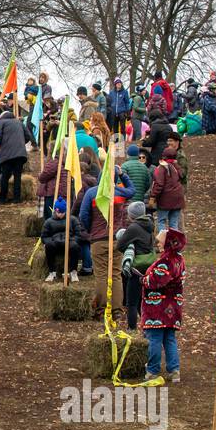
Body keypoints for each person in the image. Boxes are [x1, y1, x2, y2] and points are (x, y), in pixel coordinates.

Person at [77, 164, 135, 315]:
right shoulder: (120, 192)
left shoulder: (91, 193)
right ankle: (116, 309)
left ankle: (102, 308)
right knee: (116, 275)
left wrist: (90, 230)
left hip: (98, 240)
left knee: (102, 275)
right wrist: (122, 174)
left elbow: (83, 215)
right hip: (117, 239)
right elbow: (132, 190)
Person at [141, 228, 186, 383]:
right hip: (174, 307)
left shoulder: (166, 261)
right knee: (169, 338)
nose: (158, 244)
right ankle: (174, 371)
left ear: (168, 242)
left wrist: (144, 279)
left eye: (160, 241)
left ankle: (152, 371)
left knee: (154, 338)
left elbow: (156, 281)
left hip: (158, 307)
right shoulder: (179, 259)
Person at [116, 201, 155, 331]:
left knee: (131, 302)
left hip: (137, 268)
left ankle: (131, 330)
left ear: (132, 215)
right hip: (148, 268)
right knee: (141, 301)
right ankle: (147, 326)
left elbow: (120, 245)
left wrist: (129, 246)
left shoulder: (133, 228)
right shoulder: (149, 224)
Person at [0, 108, 34, 204]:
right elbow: (28, 135)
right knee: (17, 177)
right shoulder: (19, 122)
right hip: (20, 154)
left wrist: (1, 144)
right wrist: (21, 143)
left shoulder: (1, 123)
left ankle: (3, 198)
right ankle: (16, 198)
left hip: (7, 154)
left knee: (5, 176)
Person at [40, 197, 84, 282]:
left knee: (75, 247)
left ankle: (73, 271)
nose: (60, 214)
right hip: (55, 243)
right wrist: (50, 241)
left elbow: (78, 234)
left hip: (69, 242)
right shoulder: (49, 222)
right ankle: (52, 272)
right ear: (55, 211)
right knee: (48, 246)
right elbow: (44, 236)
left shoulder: (73, 220)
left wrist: (73, 240)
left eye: (62, 212)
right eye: (58, 212)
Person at [149, 148, 185, 231]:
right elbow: (182, 177)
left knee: (161, 221)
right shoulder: (176, 166)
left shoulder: (161, 167)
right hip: (178, 198)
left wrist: (153, 197)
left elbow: (159, 184)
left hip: (165, 200)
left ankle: (163, 242)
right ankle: (173, 242)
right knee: (174, 223)